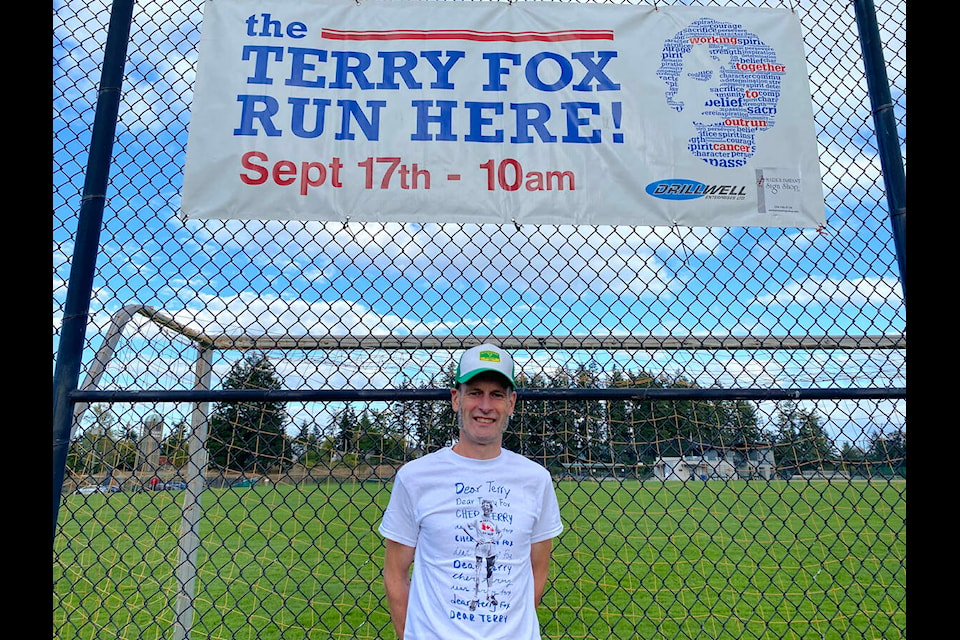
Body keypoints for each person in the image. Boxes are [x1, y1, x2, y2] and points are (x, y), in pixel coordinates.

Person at [379, 343, 564, 639]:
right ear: (456, 398)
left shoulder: (536, 479)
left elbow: (537, 570)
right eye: (475, 392)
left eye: (497, 395)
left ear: (512, 402)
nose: (486, 406)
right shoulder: (415, 477)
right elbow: (395, 573)